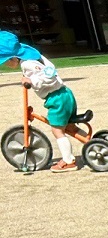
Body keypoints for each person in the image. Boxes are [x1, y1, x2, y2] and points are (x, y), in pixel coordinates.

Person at [0, 31, 81, 173]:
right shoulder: (32, 56)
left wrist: (31, 80)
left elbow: (49, 76)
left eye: (5, 61)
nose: (5, 65)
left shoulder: (28, 64)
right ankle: (92, 141)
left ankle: (68, 161)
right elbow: (49, 69)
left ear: (13, 58)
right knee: (70, 127)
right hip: (64, 93)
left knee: (57, 130)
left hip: (57, 98)